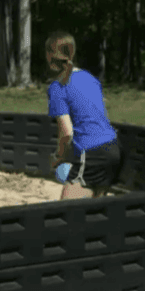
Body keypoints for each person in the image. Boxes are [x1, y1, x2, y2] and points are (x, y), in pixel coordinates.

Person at [45, 31, 123, 200]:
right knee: (94, 213)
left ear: (50, 56)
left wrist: (59, 157)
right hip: (113, 149)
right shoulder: (90, 79)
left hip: (90, 154)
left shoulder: (57, 87)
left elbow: (66, 132)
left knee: (65, 216)